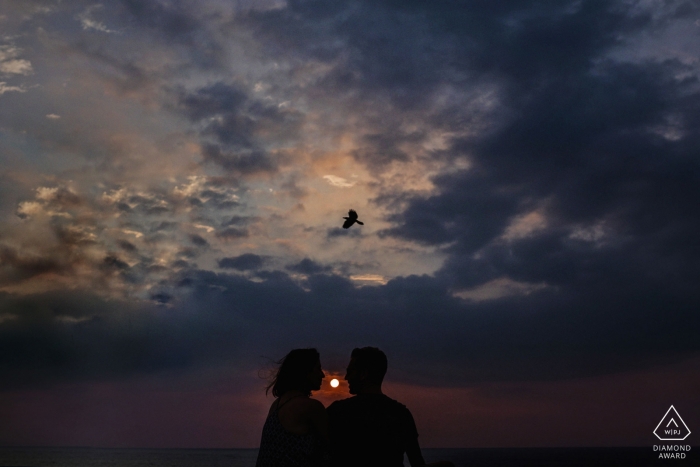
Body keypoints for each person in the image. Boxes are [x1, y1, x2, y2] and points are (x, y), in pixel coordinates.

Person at [327, 347, 454, 467]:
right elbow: (417, 463)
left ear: (363, 374)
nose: (346, 377)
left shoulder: (338, 411)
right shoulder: (402, 414)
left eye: (350, 371)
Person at [256, 348, 329, 467]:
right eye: (318, 368)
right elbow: (331, 448)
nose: (322, 374)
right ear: (306, 371)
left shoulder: (277, 405)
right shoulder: (311, 407)